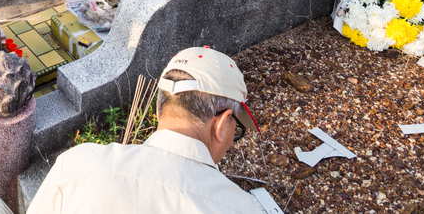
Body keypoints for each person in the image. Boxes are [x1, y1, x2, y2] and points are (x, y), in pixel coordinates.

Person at [27, 46, 263, 213]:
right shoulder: (244, 207)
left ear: (160, 110)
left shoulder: (77, 166)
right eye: (238, 128)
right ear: (222, 124)